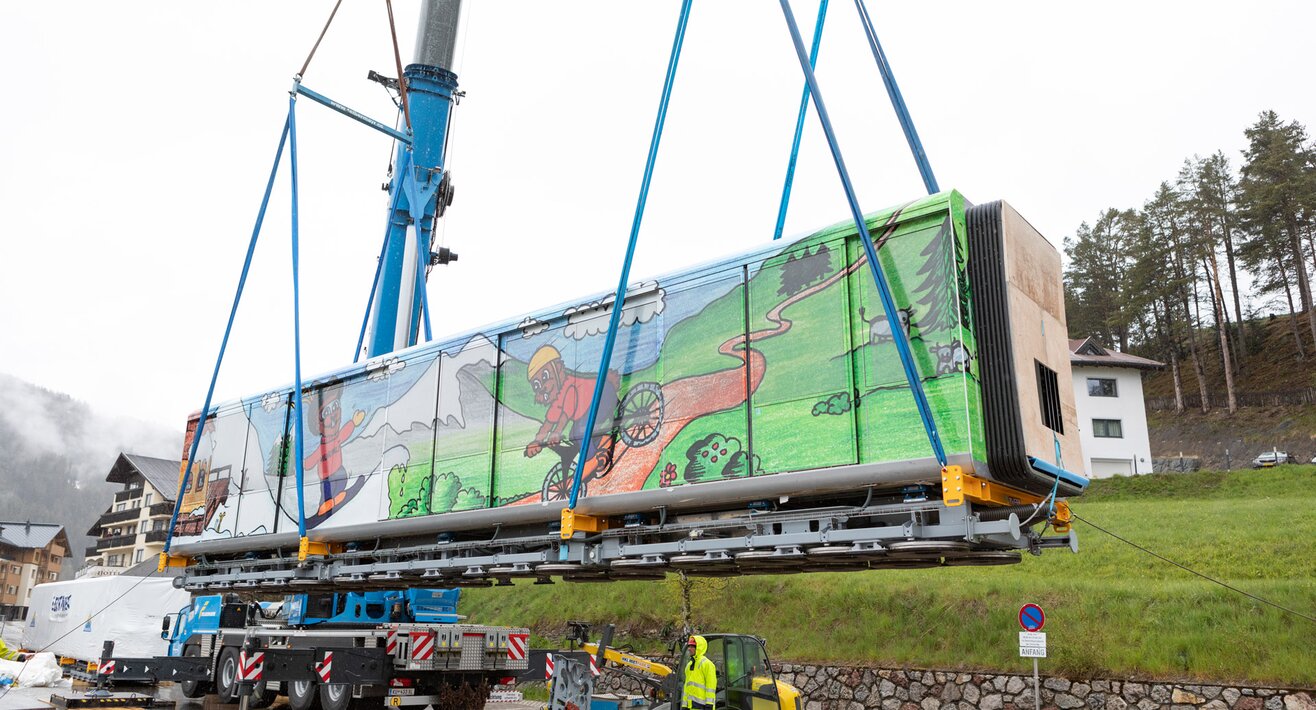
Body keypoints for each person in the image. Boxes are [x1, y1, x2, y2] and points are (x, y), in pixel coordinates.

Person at [523, 345, 618, 475]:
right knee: (574, 434)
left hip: (603, 395)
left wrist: (557, 432)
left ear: (558, 368)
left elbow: (566, 414)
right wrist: (537, 441)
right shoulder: (558, 397)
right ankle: (601, 442)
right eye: (537, 385)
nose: (542, 388)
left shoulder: (569, 385)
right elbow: (549, 422)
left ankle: (591, 459)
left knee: (579, 431)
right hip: (591, 408)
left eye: (545, 376)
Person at [682, 635, 717, 710]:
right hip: (691, 706)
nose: (689, 649)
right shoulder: (689, 666)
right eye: (689, 646)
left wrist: (709, 704)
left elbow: (711, 687)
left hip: (703, 706)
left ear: (698, 648)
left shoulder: (707, 664)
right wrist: (684, 705)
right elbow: (686, 687)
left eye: (692, 646)